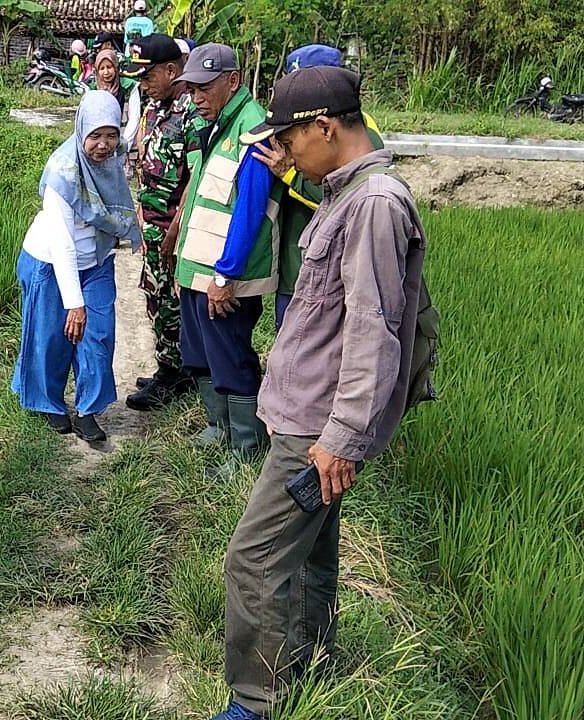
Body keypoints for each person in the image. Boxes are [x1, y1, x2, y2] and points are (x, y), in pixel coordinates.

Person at [214, 66, 428, 720]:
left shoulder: (372, 205)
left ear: (326, 127)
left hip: (318, 431)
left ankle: (256, 701)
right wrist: (291, 166)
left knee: (251, 563)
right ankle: (309, 662)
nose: (289, 155)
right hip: (309, 417)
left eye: (293, 140)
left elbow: (372, 332)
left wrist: (340, 440)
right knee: (308, 558)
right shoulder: (346, 189)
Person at [170, 43, 281, 459]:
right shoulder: (216, 124)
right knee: (199, 353)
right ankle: (219, 428)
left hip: (224, 277)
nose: (195, 97)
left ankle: (245, 450)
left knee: (231, 359)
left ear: (232, 81)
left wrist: (225, 275)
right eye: (191, 88)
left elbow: (250, 211)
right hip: (195, 269)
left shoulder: (253, 129)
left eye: (204, 87)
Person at [11, 91, 141, 444]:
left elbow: (131, 131)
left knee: (98, 334)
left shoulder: (113, 157)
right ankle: (47, 402)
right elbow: (63, 244)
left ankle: (88, 410)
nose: (103, 145)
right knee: (50, 337)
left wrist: (136, 98)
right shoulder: (62, 171)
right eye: (95, 136)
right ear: (80, 129)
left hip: (96, 261)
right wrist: (74, 303)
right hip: (50, 262)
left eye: (110, 135)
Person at [249, 44, 385, 331]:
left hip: (329, 278)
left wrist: (289, 174)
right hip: (295, 263)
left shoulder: (361, 139)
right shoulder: (294, 130)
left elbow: (341, 193)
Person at [118, 34, 198, 411]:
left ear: (171, 70)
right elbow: (148, 168)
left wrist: (175, 233)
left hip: (173, 230)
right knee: (155, 297)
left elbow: (193, 181)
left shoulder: (192, 113)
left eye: (147, 76)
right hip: (150, 222)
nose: (142, 85)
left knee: (171, 303)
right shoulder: (153, 108)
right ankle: (168, 364)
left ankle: (176, 375)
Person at [93, 45, 141, 151]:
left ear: (116, 67)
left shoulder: (129, 86)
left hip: (124, 140)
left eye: (109, 67)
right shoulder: (94, 89)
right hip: (101, 145)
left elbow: (134, 118)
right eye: (102, 68)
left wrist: (123, 144)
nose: (106, 72)